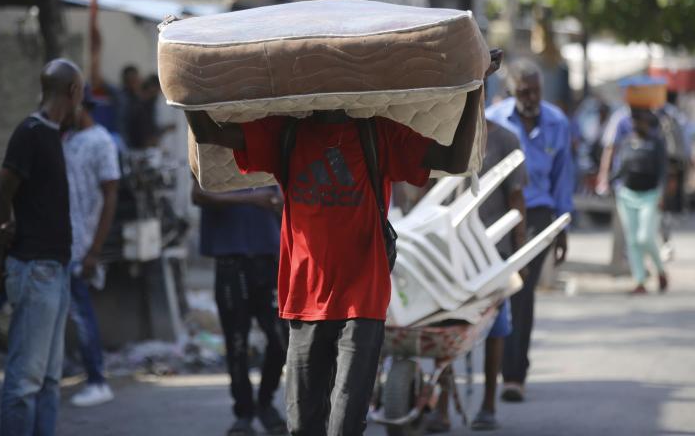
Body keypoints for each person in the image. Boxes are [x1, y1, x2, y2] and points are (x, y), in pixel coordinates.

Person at [186, 49, 503, 436]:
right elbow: (209, 132)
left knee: (346, 423)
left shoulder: (377, 133)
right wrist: (183, 71)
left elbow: (454, 159)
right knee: (302, 423)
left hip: (362, 296)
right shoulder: (284, 133)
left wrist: (476, 86)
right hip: (304, 298)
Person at [0, 59, 84, 436]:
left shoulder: (50, 134)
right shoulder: (30, 132)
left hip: (55, 270)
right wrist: (2, 232)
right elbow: (1, 192)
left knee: (48, 380)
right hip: (35, 270)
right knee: (25, 382)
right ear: (73, 92)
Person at [427, 118, 528, 433]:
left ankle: (488, 405)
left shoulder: (506, 140)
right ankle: (441, 408)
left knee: (495, 326)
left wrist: (519, 254)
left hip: (491, 253)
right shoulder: (440, 133)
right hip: (451, 252)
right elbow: (429, 193)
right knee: (446, 325)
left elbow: (516, 199)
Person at [486, 59, 573, 403]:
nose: (531, 97)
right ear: (512, 91)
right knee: (494, 293)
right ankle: (491, 368)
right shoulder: (495, 121)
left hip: (537, 214)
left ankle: (514, 375)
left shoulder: (557, 122)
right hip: (498, 211)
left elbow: (563, 178)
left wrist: (563, 226)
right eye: (524, 91)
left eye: (536, 90)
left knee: (522, 291)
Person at [192, 184, 289, 436]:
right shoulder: (212, 149)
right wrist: (254, 198)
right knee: (236, 343)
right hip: (230, 260)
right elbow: (199, 194)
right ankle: (244, 413)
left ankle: (265, 403)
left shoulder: (271, 147)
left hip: (269, 259)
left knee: (281, 339)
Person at [64, 86, 121, 407]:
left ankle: (97, 380)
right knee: (72, 313)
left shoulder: (101, 142)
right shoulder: (68, 140)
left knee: (83, 314)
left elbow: (110, 194)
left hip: (83, 244)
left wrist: (95, 249)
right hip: (65, 243)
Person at [612, 108, 669, 294]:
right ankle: (640, 280)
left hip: (650, 195)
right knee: (632, 240)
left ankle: (660, 270)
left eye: (641, 121)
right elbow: (621, 168)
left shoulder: (656, 142)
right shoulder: (627, 142)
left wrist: (661, 193)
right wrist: (611, 182)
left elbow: (662, 171)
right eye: (635, 121)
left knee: (645, 237)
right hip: (627, 195)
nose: (638, 124)